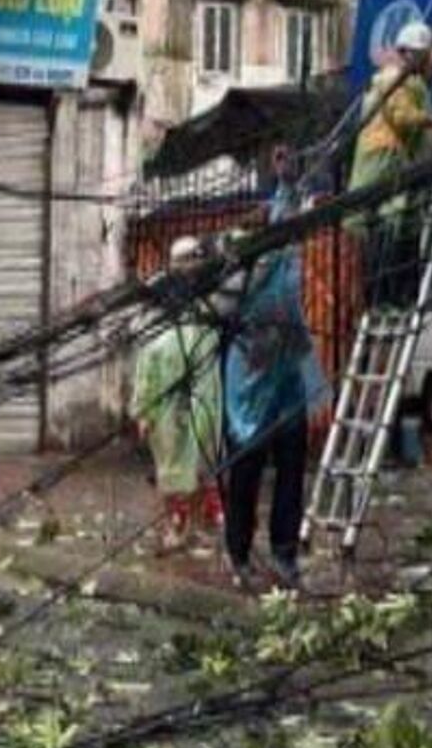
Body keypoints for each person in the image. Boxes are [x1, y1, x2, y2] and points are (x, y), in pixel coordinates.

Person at [221, 214, 329, 592]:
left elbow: (296, 323)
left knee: (291, 473)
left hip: (286, 388)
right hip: (248, 392)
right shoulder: (237, 274)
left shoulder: (284, 266)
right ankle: (239, 554)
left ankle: (284, 554)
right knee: (245, 477)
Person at [346, 21, 432, 311]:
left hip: (388, 161)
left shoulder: (409, 79)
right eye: (419, 56)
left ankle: (393, 294)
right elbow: (405, 117)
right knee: (390, 226)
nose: (425, 63)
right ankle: (385, 297)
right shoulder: (393, 79)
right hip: (382, 161)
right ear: (404, 54)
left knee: (400, 224)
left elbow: (430, 64)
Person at [132, 236, 224, 554]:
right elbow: (147, 368)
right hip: (174, 407)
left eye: (193, 259)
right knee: (177, 470)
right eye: (185, 260)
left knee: (196, 468)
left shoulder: (206, 311)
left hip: (196, 405)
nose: (189, 267)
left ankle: (198, 526)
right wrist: (144, 412)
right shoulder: (166, 311)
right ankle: (182, 526)